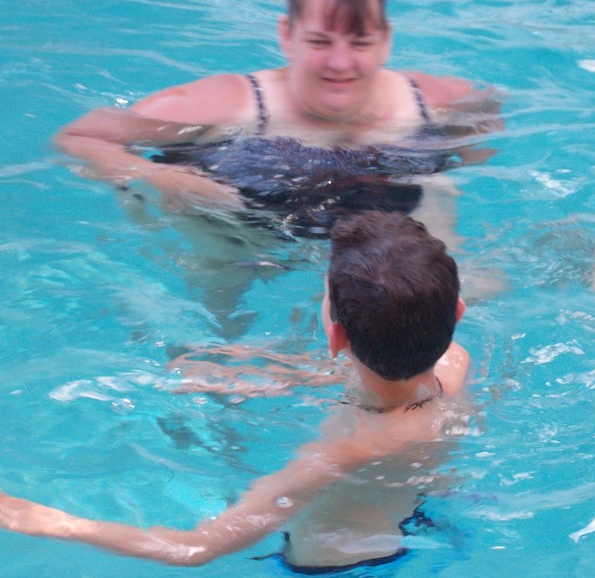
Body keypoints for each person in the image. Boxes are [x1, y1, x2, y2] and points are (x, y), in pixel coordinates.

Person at [54, 0, 501, 335]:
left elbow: (486, 126)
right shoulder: (226, 105)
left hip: (376, 230)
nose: (340, 62)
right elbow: (80, 137)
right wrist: (164, 179)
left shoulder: (437, 101)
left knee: (455, 294)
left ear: (385, 40)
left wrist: (458, 180)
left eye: (360, 42)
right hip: (243, 236)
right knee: (213, 332)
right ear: (286, 35)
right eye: (320, 41)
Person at [0, 211, 471, 571]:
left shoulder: (341, 451)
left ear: (335, 338)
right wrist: (280, 375)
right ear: (457, 312)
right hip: (418, 519)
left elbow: (194, 548)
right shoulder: (454, 363)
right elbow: (386, 379)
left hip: (339, 566)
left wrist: (42, 520)